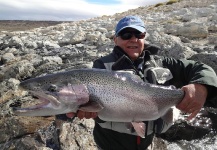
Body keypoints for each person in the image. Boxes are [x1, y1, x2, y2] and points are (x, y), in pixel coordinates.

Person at [66, 16, 217, 150]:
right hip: (111, 145)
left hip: (148, 143)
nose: (133, 39)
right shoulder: (101, 67)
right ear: (115, 39)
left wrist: (201, 87)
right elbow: (81, 99)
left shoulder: (163, 63)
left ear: (144, 38)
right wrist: (77, 111)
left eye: (139, 34)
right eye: (126, 34)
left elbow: (200, 68)